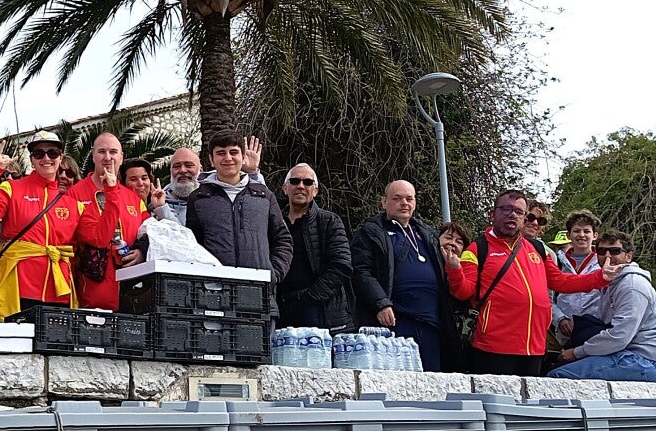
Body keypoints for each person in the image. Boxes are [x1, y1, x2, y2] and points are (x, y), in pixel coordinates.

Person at [443, 189, 620, 376]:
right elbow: (463, 292)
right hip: (494, 347)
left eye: (519, 211)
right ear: (492, 214)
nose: (512, 214)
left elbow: (561, 282)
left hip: (534, 347)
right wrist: (454, 270)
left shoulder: (537, 248)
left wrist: (601, 278)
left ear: (523, 218)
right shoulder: (477, 249)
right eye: (506, 209)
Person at [351, 181, 457, 371]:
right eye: (397, 198)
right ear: (384, 202)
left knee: (431, 382)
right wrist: (380, 303)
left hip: (430, 323)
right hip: (395, 321)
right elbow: (360, 271)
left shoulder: (428, 234)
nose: (404, 203)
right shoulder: (371, 231)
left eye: (409, 199)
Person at [0, 132, 82, 317]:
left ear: (61, 157)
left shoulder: (74, 204)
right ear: (32, 159)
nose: (46, 158)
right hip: (18, 287)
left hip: (59, 289)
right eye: (39, 154)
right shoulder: (11, 188)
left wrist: (111, 193)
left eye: (52, 153)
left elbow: (98, 239)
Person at [182, 133, 292, 315]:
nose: (228, 158)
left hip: (260, 295)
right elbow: (193, 245)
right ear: (211, 159)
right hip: (214, 296)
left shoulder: (264, 196)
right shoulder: (198, 198)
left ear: (243, 157)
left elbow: (283, 239)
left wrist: (273, 274)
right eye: (221, 153)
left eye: (234, 152)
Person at [547, 231, 656, 382]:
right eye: (601, 251)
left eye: (615, 251)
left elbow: (619, 336)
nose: (607, 256)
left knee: (558, 376)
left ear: (629, 256)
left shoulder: (632, 286)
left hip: (643, 360)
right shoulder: (610, 283)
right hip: (623, 354)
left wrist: (576, 352)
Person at [65, 134, 148, 311]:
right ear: (93, 156)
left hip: (131, 290)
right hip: (91, 291)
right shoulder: (75, 194)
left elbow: (149, 233)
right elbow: (93, 239)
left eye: (113, 152)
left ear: (121, 157)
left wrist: (141, 251)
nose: (108, 157)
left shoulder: (133, 198)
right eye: (102, 151)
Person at [277, 164, 353, 330]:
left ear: (315, 191)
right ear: (285, 188)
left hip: (319, 309)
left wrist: (310, 297)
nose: (301, 186)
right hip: (281, 309)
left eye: (308, 182)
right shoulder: (274, 223)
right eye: (295, 181)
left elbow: (341, 265)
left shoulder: (330, 221)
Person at [551, 210, 605, 341]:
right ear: (569, 235)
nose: (581, 235)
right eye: (576, 231)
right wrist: (559, 318)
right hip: (564, 335)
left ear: (595, 235)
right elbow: (545, 297)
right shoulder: (556, 262)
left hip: (596, 332)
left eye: (586, 231)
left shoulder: (604, 262)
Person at [156, 148, 201, 224]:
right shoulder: (156, 204)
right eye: (177, 166)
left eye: (188, 165)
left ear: (201, 169)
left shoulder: (213, 200)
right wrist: (161, 208)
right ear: (171, 171)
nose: (182, 170)